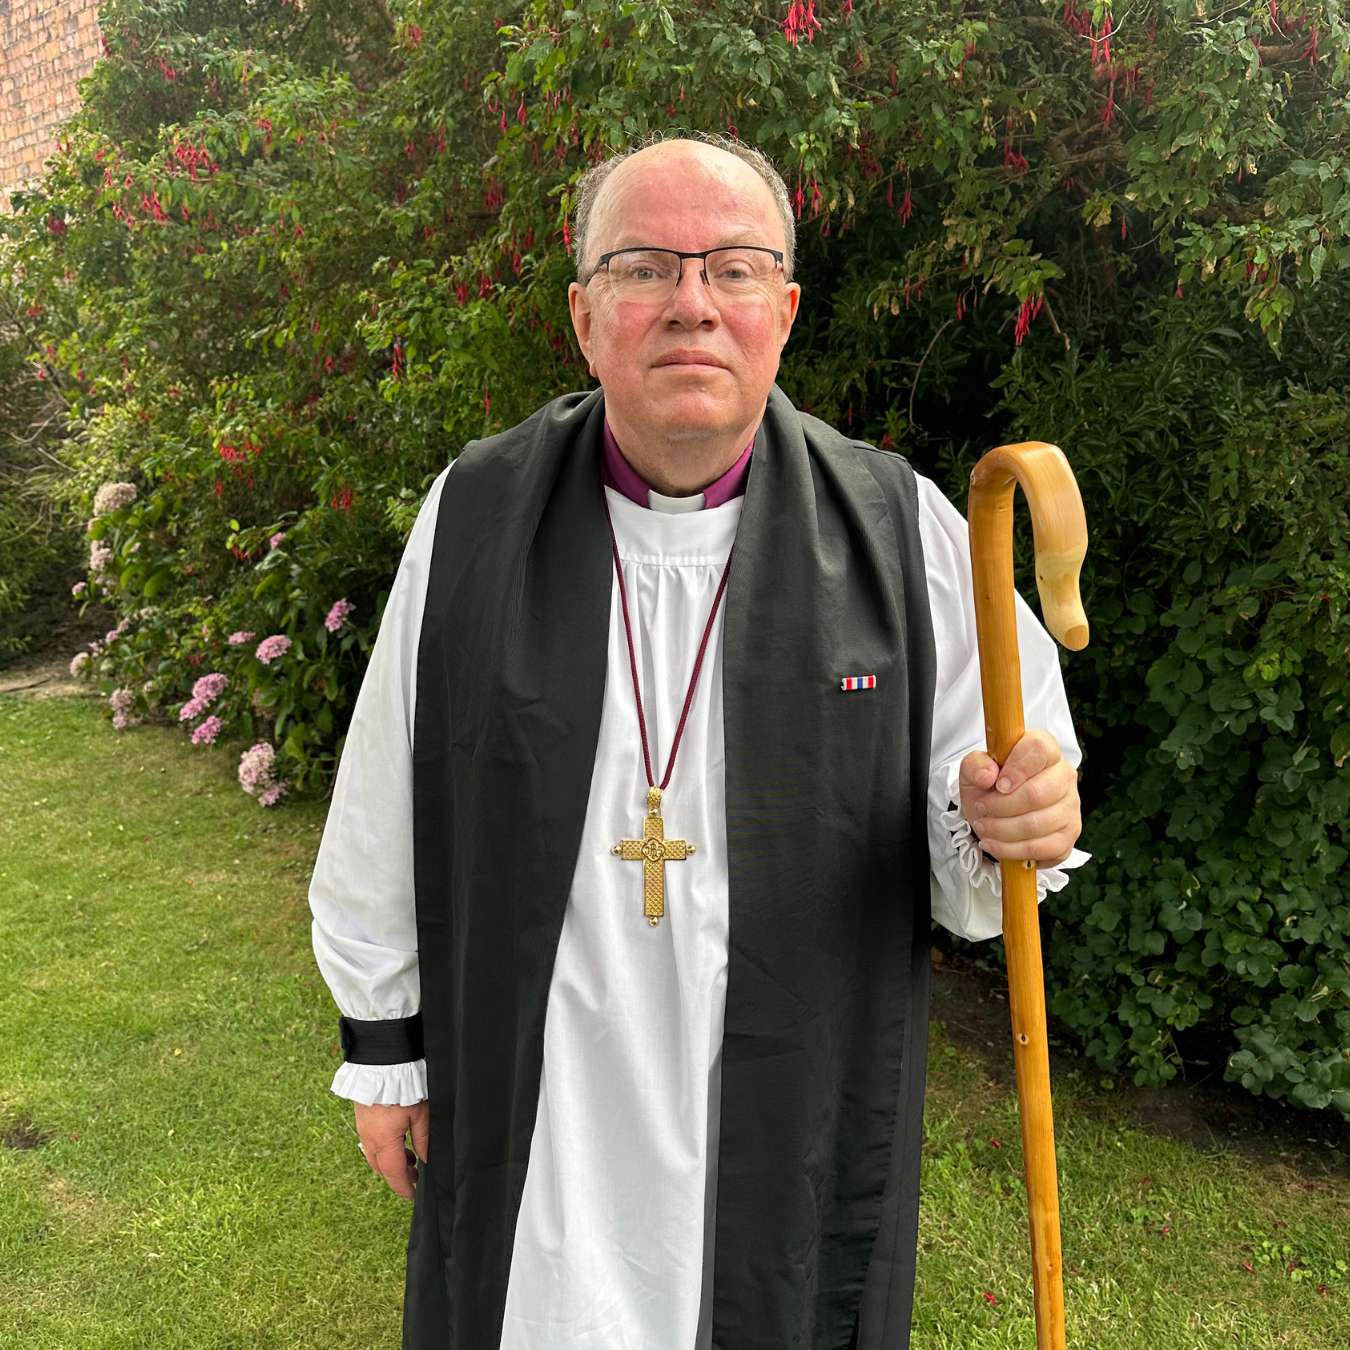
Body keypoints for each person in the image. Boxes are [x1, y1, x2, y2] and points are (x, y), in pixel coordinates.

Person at [309, 133, 1086, 1350]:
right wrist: (386, 1053)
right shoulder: (476, 516)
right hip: (541, 1091)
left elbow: (988, 832)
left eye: (732, 268)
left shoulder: (900, 530)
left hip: (788, 1098)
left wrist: (1016, 818)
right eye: (643, 268)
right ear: (583, 316)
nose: (691, 305)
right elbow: (383, 798)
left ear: (784, 311)